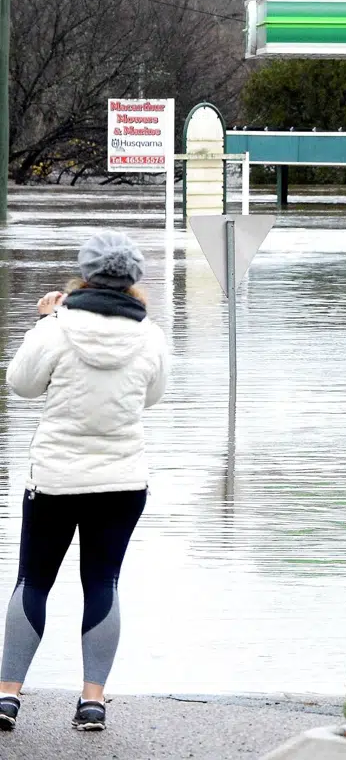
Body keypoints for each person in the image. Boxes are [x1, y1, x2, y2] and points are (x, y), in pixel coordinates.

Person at [0, 232, 168, 732]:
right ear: (134, 280)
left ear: (85, 272)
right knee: (103, 582)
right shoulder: (151, 335)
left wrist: (48, 319)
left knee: (34, 579)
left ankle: (8, 697)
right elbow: (153, 398)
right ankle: (92, 701)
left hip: (55, 479)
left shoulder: (56, 327)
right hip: (122, 480)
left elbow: (21, 384)